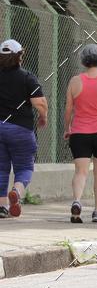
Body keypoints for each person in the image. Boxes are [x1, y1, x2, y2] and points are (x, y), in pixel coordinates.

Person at [0, 39, 48, 217]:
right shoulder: (27, 77)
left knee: (1, 168)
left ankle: (2, 207)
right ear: (20, 55)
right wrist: (43, 118)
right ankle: (17, 192)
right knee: (25, 168)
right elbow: (40, 103)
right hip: (21, 129)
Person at [64, 44, 97, 222]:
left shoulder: (75, 81)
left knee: (81, 172)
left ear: (84, 61)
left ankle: (77, 201)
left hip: (79, 132)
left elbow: (69, 108)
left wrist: (67, 128)